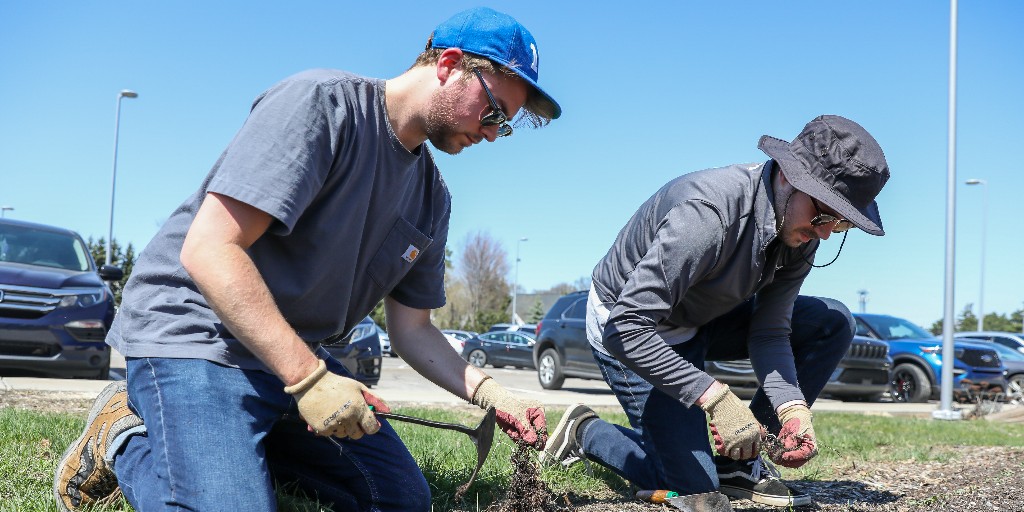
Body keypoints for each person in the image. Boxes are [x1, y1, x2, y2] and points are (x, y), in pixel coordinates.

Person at [53, 7, 560, 512]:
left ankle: (239, 440)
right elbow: (210, 248)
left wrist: (491, 393)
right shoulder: (322, 105)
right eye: (493, 111)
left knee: (400, 501)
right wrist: (311, 380)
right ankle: (120, 433)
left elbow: (413, 330)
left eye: (505, 127)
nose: (493, 133)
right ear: (449, 64)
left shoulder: (432, 199)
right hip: (199, 336)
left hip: (292, 359)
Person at [541, 115, 890, 510]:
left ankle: (737, 463)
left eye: (839, 225)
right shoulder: (707, 214)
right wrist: (715, 399)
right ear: (791, 178)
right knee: (696, 490)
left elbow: (771, 330)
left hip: (701, 316)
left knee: (832, 321)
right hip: (636, 327)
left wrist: (791, 407)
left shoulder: (801, 231)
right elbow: (626, 328)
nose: (825, 232)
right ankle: (586, 432)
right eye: (824, 216)